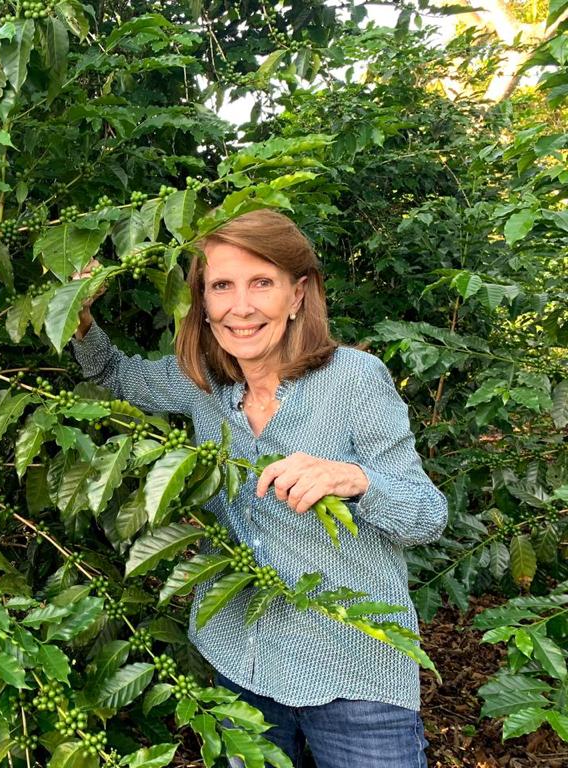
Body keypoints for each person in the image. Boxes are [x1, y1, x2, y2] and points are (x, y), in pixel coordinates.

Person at [70, 208, 447, 768]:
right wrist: (77, 319)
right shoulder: (202, 381)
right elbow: (117, 376)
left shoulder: (354, 380)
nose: (239, 307)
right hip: (240, 658)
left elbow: (427, 516)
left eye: (261, 283)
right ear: (202, 300)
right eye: (221, 286)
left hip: (353, 668)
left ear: (298, 295)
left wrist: (355, 479)